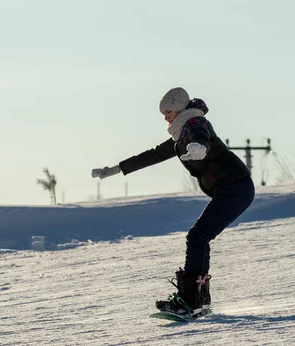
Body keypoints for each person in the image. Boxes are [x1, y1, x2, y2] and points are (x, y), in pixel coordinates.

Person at [91, 87, 255, 317]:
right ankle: (198, 300)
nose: (165, 117)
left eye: (168, 111)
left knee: (197, 236)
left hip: (236, 187)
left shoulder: (195, 124)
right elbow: (153, 154)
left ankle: (189, 301)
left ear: (179, 108)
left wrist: (199, 148)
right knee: (200, 236)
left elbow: (200, 136)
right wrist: (117, 169)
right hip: (231, 189)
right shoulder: (181, 135)